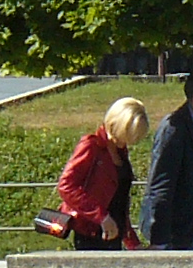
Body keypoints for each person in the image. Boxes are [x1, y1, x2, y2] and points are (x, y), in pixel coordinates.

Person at [141, 63, 193, 251]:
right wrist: (159, 242)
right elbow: (161, 186)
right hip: (172, 234)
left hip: (192, 229)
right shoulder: (174, 129)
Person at [55, 96, 148, 250]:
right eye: (127, 135)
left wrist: (132, 240)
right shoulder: (91, 145)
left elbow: (120, 200)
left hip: (114, 231)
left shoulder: (120, 151)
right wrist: (101, 216)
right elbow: (66, 186)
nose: (128, 142)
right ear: (115, 125)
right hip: (91, 232)